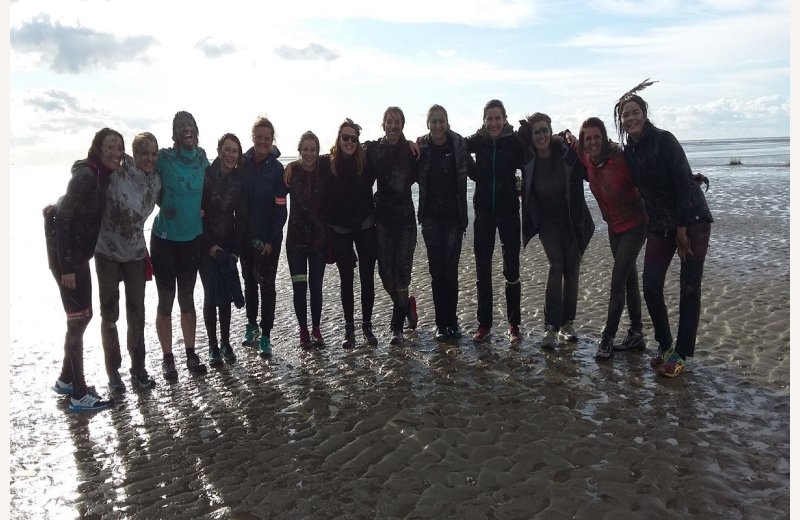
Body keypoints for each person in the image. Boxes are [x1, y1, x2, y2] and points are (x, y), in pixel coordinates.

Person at [614, 81, 713, 377]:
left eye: (635, 112)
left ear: (644, 113)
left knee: (689, 287)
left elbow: (683, 183)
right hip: (659, 224)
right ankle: (665, 345)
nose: (630, 118)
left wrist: (682, 227)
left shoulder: (665, 139)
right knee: (651, 285)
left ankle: (681, 355)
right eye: (625, 115)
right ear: (621, 120)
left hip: (691, 220)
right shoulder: (629, 150)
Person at [46, 127, 122, 412]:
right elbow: (63, 220)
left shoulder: (101, 175)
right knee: (78, 322)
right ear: (97, 150)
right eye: (109, 147)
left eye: (119, 147)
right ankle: (79, 395)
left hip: (77, 256)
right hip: (69, 258)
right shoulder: (87, 176)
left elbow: (65, 208)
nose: (115, 153)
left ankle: (67, 380)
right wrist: (66, 267)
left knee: (82, 317)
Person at [565, 118, 648, 360]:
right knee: (629, 278)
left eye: (596, 136)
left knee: (617, 279)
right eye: (588, 138)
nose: (593, 141)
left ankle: (608, 337)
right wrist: (566, 136)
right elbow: (573, 145)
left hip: (636, 225)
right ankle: (637, 333)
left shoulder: (621, 159)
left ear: (604, 136)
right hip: (614, 227)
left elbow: (647, 178)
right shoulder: (588, 157)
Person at [520, 112, 595, 349]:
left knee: (572, 269)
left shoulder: (566, 151)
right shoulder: (528, 157)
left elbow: (590, 162)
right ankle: (550, 327)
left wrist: (571, 136)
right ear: (531, 136)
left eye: (545, 130)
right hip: (547, 221)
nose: (541, 135)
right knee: (556, 266)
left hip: (574, 219)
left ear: (551, 131)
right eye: (536, 132)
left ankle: (567, 324)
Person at [94, 132, 161, 392]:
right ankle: (113, 373)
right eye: (144, 152)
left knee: (137, 312)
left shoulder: (156, 180)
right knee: (110, 314)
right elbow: (87, 176)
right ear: (132, 153)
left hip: (135, 252)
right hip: (107, 251)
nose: (149, 158)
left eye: (154, 153)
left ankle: (139, 370)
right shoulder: (116, 173)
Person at [151, 111, 210, 380]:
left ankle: (190, 353)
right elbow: (137, 171)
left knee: (187, 299)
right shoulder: (163, 158)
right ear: (173, 134)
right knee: (166, 300)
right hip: (164, 239)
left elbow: (219, 184)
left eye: (190, 126)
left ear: (197, 131)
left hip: (192, 239)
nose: (186, 129)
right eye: (180, 127)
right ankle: (167, 358)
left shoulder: (202, 160)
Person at [465, 99, 525, 343]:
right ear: (484, 120)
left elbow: (533, 157)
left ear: (505, 119)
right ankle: (484, 325)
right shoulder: (477, 140)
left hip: (509, 211)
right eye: (489, 118)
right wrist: (474, 172)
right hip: (484, 213)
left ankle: (513, 324)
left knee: (512, 269)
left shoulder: (514, 141)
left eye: (497, 118)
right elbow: (457, 145)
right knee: (483, 270)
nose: (493, 123)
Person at [416, 104, 474, 341]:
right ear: (428, 125)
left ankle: (453, 322)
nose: (438, 126)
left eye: (442, 121)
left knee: (451, 272)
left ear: (447, 123)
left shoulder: (459, 144)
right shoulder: (421, 147)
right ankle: (441, 324)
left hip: (453, 218)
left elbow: (475, 171)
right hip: (430, 218)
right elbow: (400, 163)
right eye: (434, 122)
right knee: (436, 272)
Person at [365, 107, 419, 345]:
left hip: (406, 219)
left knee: (402, 275)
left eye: (397, 122)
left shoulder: (411, 151)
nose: (393, 126)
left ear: (403, 125)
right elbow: (346, 155)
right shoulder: (374, 150)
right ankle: (406, 305)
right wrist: (294, 165)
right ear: (383, 124)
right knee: (386, 275)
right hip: (383, 220)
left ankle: (397, 328)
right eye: (389, 121)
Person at [323, 119, 378, 348]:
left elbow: (386, 143)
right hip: (340, 229)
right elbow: (305, 161)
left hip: (365, 225)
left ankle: (367, 326)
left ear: (358, 141)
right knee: (346, 279)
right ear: (339, 138)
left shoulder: (366, 161)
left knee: (367, 277)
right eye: (345, 137)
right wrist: (291, 166)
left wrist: (416, 142)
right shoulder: (327, 163)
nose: (349, 142)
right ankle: (349, 330)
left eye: (353, 138)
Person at [199, 133, 248, 367]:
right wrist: (209, 246)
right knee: (210, 295)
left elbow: (242, 217)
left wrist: (235, 251)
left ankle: (226, 342)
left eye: (235, 151)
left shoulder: (239, 179)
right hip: (206, 244)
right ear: (219, 150)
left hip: (228, 244)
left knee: (226, 298)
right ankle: (212, 346)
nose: (230, 154)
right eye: (227, 149)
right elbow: (198, 213)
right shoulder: (206, 175)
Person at [240, 116, 287, 357]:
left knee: (267, 286)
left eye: (267, 138)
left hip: (270, 239)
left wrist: (270, 241)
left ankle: (266, 335)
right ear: (253, 137)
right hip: (245, 238)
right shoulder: (242, 162)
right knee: (249, 283)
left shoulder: (277, 170)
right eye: (258, 137)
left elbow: (281, 210)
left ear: (272, 140)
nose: (262, 141)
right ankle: (251, 326)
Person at [283, 131, 327, 348]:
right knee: (299, 287)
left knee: (316, 287)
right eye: (305, 149)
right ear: (299, 151)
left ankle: (316, 329)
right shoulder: (292, 172)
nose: (309, 154)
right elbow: (276, 199)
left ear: (318, 151)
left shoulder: (325, 169)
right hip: (296, 243)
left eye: (313, 149)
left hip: (319, 242)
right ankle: (303, 331)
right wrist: (290, 164)